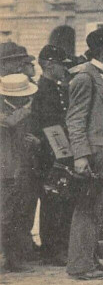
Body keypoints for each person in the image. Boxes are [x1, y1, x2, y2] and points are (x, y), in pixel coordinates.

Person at [65, 27, 103, 280]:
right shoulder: (84, 77)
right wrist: (80, 156)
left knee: (95, 208)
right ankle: (80, 265)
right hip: (93, 155)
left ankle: (90, 258)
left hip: (102, 154)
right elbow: (75, 120)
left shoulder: (100, 75)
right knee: (87, 209)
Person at [31, 45, 73, 266]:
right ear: (48, 64)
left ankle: (60, 246)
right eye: (59, 64)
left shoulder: (55, 88)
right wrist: (61, 153)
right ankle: (52, 248)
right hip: (49, 153)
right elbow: (47, 125)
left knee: (61, 198)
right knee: (52, 200)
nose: (62, 69)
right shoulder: (42, 90)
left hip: (59, 150)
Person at [1, 74, 40, 272]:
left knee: (21, 213)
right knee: (6, 216)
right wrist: (26, 110)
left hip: (24, 167)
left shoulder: (24, 111)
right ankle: (9, 257)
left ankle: (18, 254)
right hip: (5, 170)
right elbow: (8, 124)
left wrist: (36, 141)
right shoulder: (4, 110)